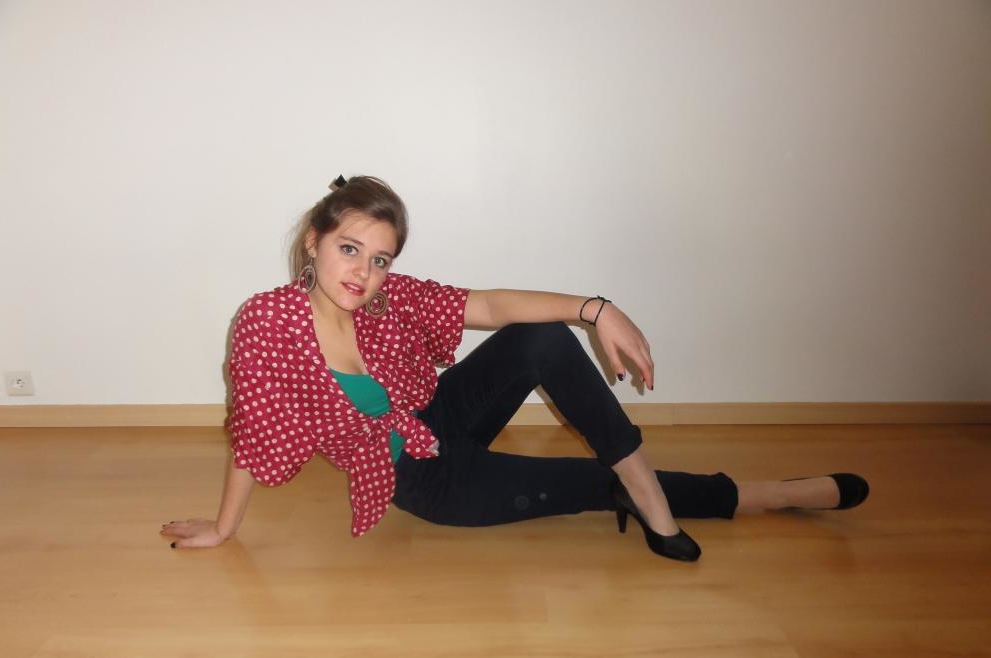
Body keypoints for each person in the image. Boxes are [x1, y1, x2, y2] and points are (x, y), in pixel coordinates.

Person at [161, 176, 868, 562]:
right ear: (314, 242)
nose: (364, 273)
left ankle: (646, 490)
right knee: (592, 484)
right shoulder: (268, 324)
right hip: (427, 479)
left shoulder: (388, 298)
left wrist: (596, 308)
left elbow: (493, 305)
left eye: (380, 259)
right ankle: (769, 496)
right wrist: (224, 529)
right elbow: (252, 434)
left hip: (437, 414)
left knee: (542, 337)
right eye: (349, 249)